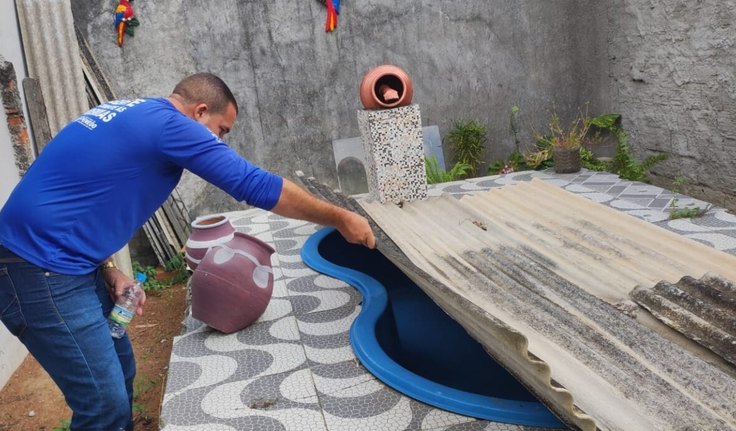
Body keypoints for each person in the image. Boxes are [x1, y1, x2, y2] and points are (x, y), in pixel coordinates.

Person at [0, 72, 375, 430]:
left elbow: (79, 194)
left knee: (122, 367)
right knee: (102, 404)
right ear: (199, 112)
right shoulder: (171, 125)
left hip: (59, 263)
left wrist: (106, 267)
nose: (219, 141)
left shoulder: (134, 112)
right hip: (38, 271)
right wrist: (338, 217)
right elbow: (252, 183)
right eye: (221, 130)